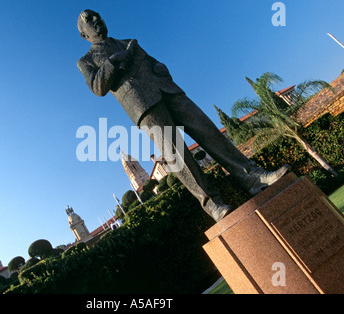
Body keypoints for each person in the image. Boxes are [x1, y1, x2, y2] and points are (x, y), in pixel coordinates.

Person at [76, 9, 289, 222]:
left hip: (168, 90)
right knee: (177, 155)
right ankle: (212, 204)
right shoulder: (86, 61)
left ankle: (253, 177)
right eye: (89, 20)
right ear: (84, 35)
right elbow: (97, 87)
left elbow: (152, 62)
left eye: (98, 16)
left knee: (209, 131)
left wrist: (160, 69)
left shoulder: (129, 42)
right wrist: (113, 62)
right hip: (143, 105)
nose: (96, 20)